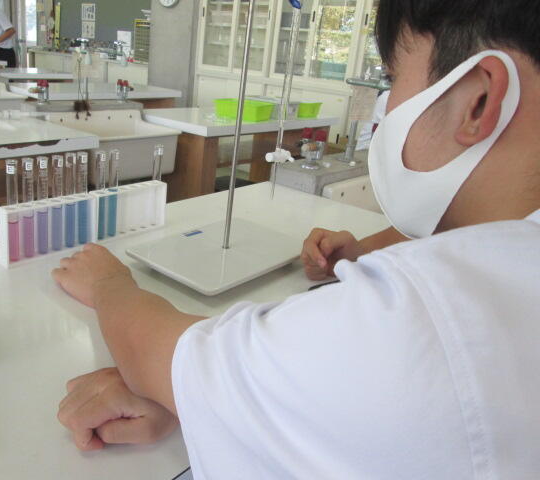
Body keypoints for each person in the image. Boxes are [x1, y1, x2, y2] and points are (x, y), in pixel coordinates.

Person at [53, 0, 540, 477]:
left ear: (478, 99)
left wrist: (109, 283)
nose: (386, 105)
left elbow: (172, 357)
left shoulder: (413, 328)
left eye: (392, 78)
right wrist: (367, 251)